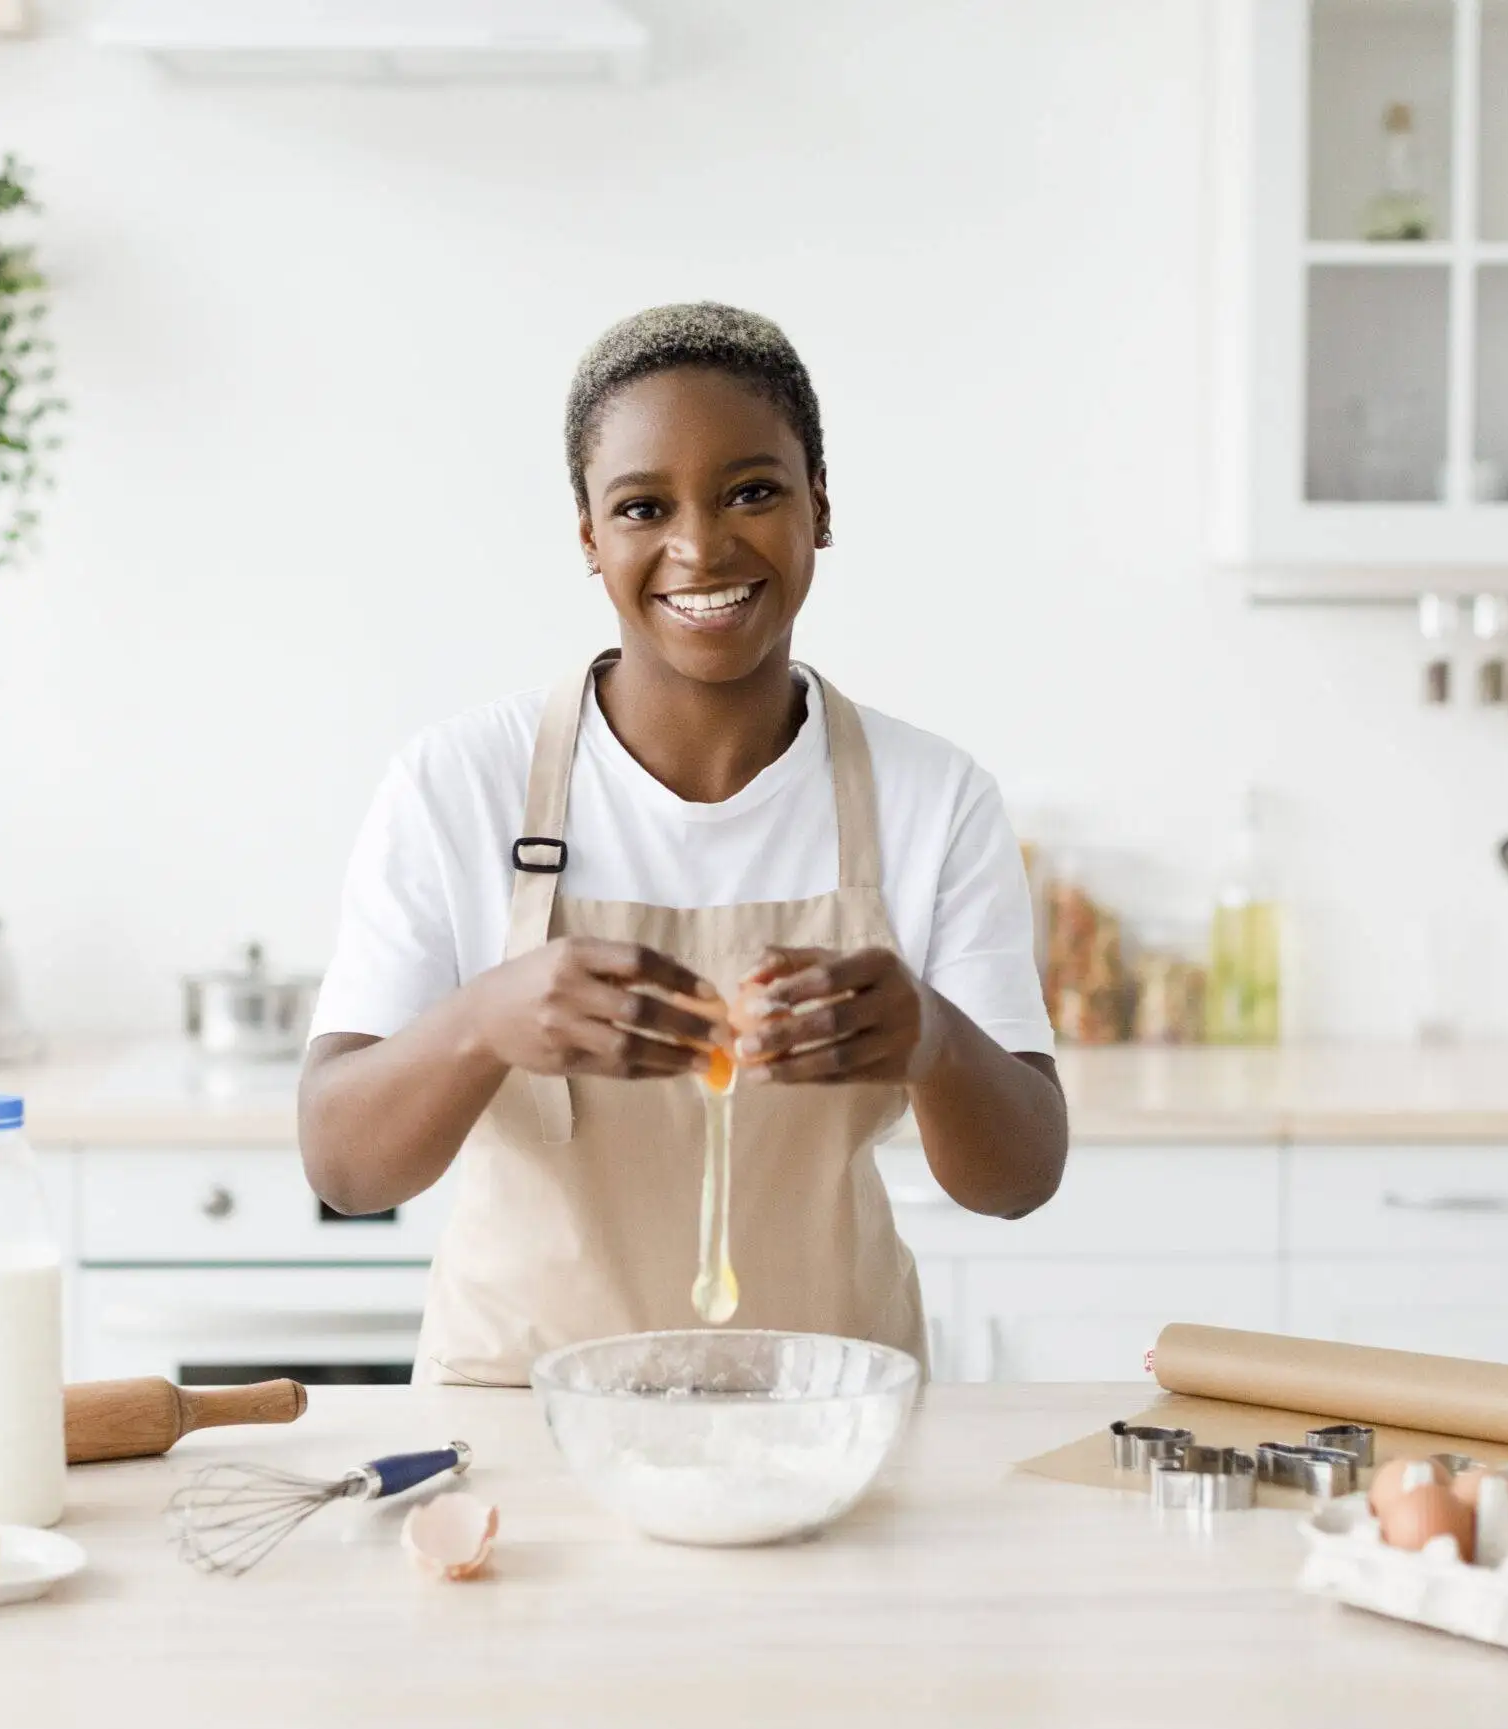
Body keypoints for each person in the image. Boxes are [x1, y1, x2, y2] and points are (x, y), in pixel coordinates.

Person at [299, 302, 1068, 1386]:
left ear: (820, 510)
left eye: (752, 491)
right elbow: (342, 1163)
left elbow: (1021, 1175)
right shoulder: (458, 783)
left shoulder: (931, 796)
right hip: (523, 1426)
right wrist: (486, 1019)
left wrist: (929, 1037)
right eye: (642, 506)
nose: (699, 546)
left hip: (828, 1418)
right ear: (588, 538)